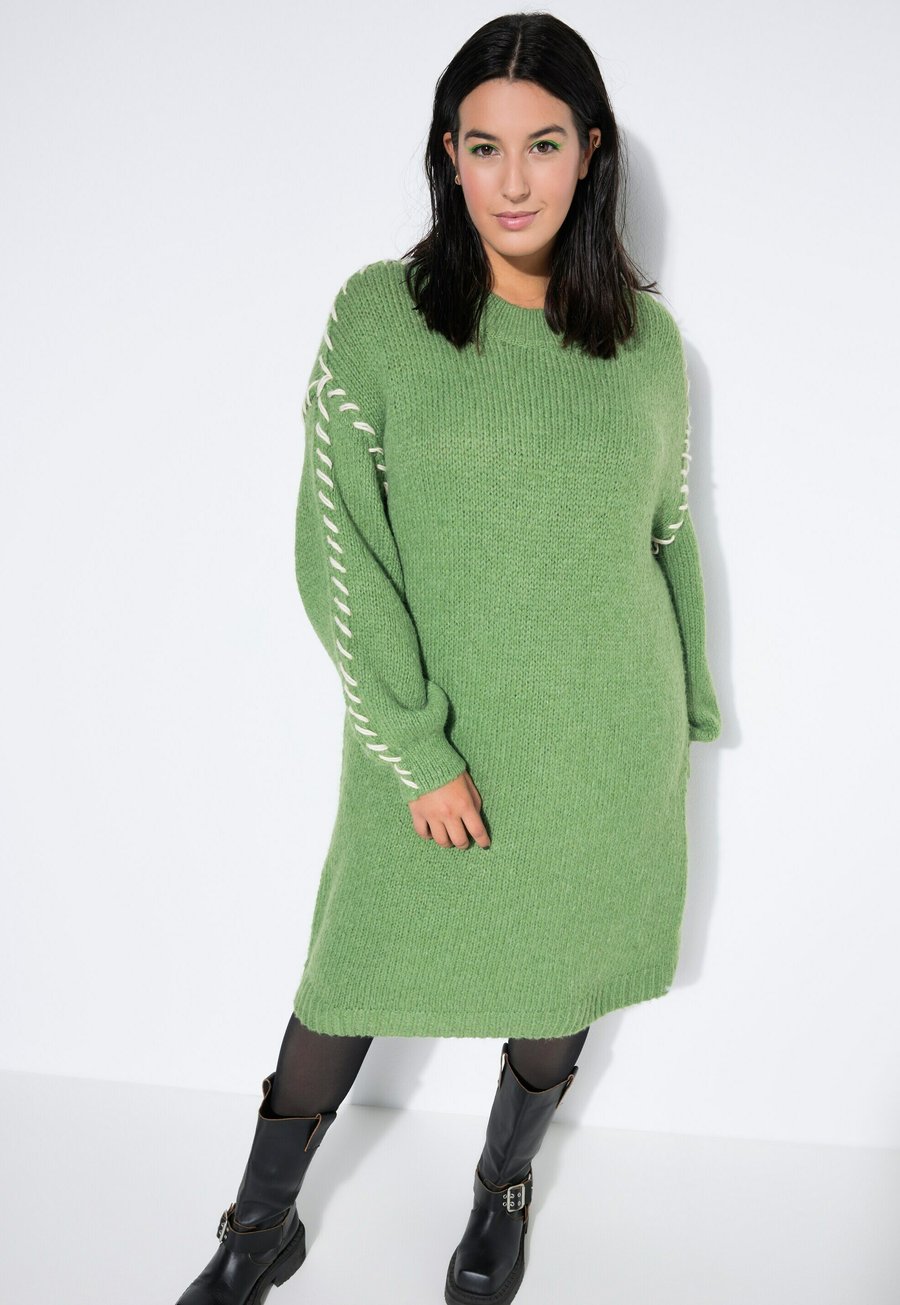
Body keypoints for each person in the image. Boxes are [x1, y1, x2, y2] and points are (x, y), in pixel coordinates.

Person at [175, 11, 722, 1305]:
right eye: (484, 147)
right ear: (448, 156)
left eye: (544, 144)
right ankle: (259, 1225)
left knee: (560, 972)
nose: (513, 179)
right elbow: (338, 549)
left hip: (607, 742)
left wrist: (687, 711)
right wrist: (417, 751)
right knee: (349, 975)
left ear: (591, 151)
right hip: (435, 743)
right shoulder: (380, 318)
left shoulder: (647, 348)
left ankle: (501, 1190)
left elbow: (667, 539)